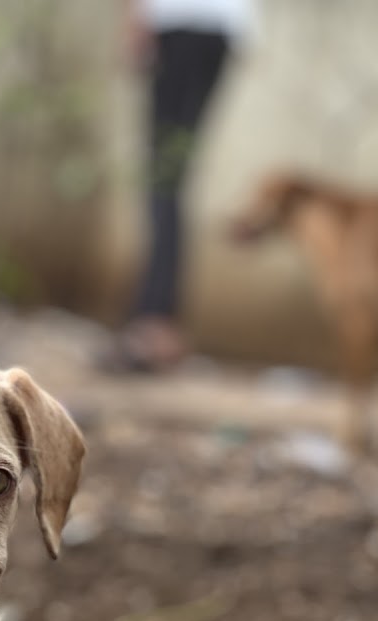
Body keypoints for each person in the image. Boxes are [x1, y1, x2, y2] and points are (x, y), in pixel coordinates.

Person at [103, 0, 253, 372]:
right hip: (223, 27)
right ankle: (161, 323)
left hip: (177, 23)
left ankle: (154, 324)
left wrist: (134, 21)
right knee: (173, 176)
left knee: (163, 176)